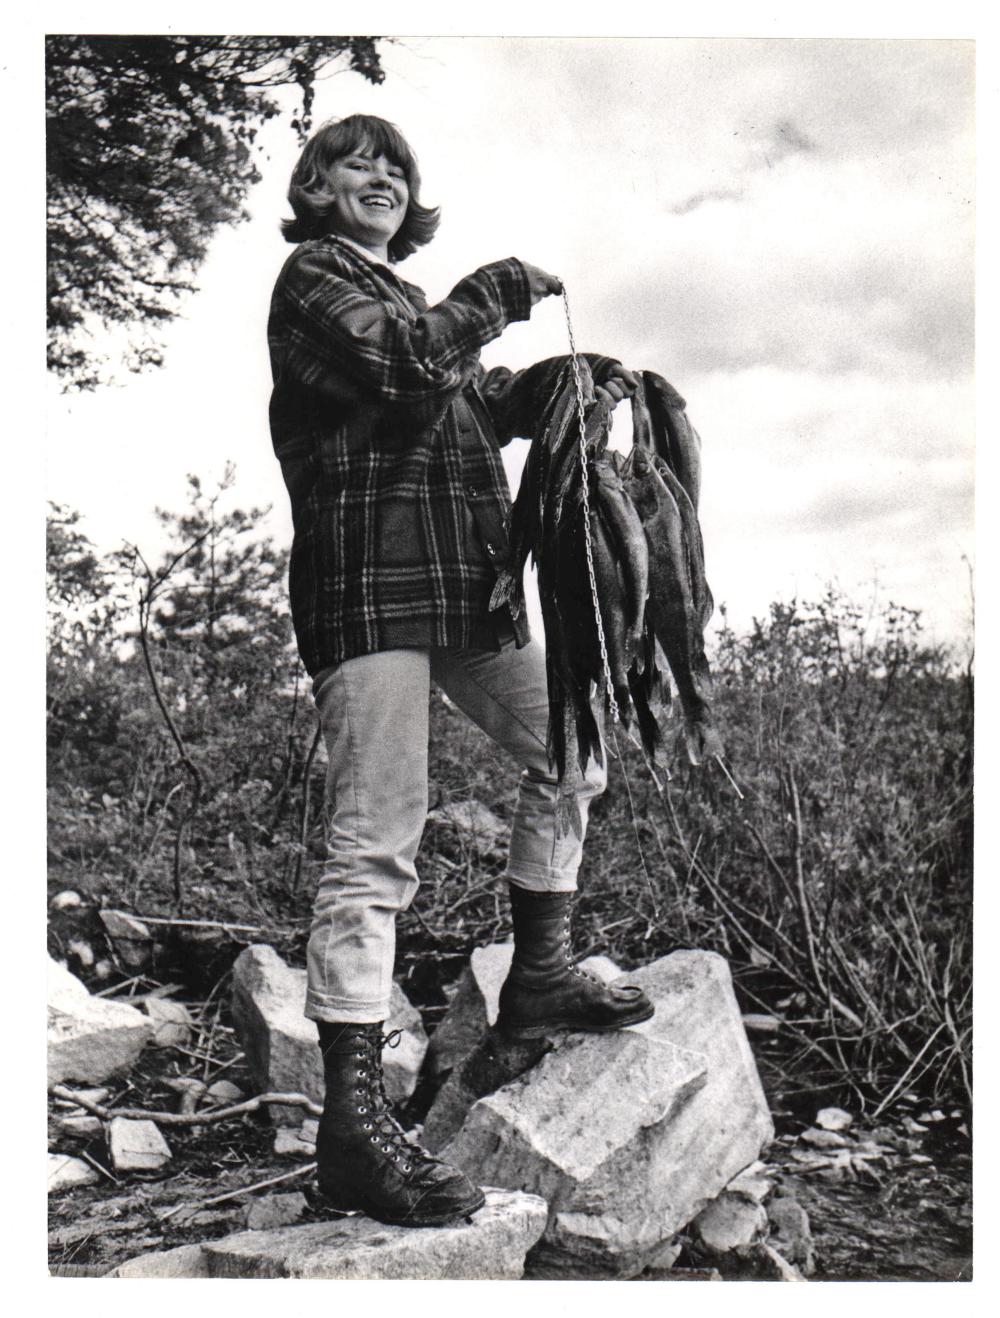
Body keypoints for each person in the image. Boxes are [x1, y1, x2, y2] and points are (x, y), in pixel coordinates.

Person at [268, 114, 654, 1228]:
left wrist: (554, 385)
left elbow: (466, 403)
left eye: (396, 167)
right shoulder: (315, 281)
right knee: (378, 836)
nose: (380, 176)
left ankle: (540, 968)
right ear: (317, 186)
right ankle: (352, 1132)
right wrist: (493, 288)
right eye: (356, 162)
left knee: (573, 745)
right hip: (369, 594)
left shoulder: (411, 307)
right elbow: (402, 367)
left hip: (466, 595)